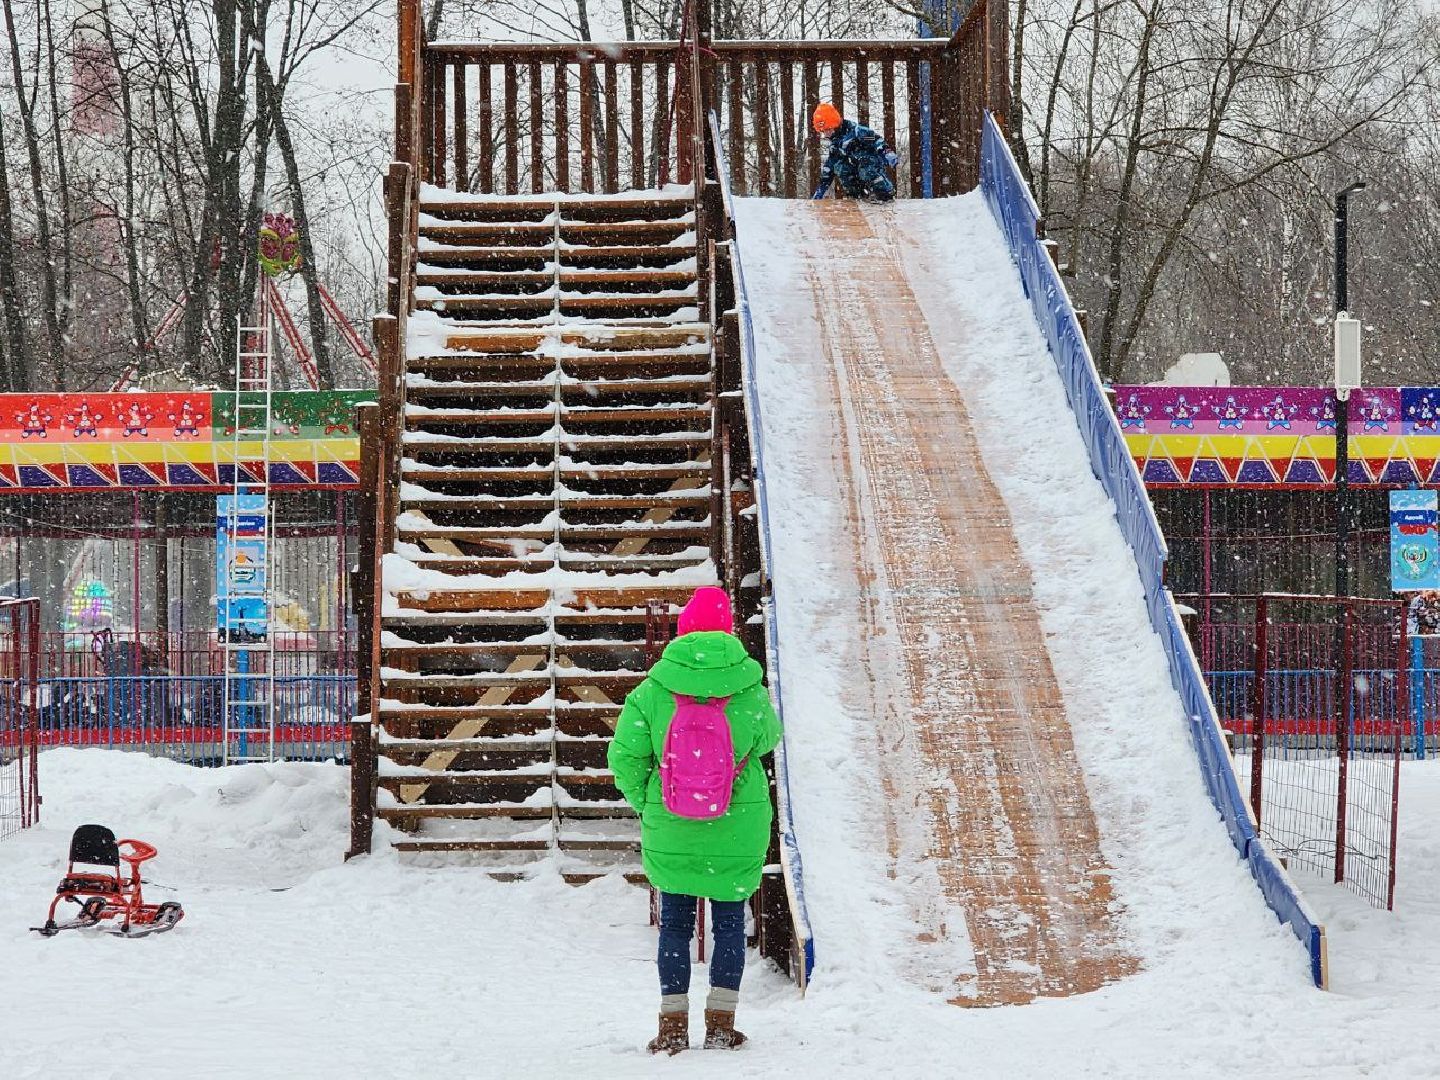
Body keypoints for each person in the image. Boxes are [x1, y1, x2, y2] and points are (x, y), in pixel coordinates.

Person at [608, 586, 783, 1055]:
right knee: (729, 924)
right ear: (729, 631)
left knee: (675, 926)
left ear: (683, 630)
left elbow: (625, 756)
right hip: (737, 826)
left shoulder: (652, 691)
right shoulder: (749, 689)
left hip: (672, 824)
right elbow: (769, 738)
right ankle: (722, 1024)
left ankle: (672, 1027)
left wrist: (648, 804)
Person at [810, 101, 898, 202]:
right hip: (854, 169)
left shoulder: (857, 131)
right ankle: (857, 195)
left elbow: (876, 140)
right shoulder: (835, 144)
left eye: (828, 130)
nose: (826, 134)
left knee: (865, 168)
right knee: (840, 167)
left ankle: (884, 194)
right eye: (823, 131)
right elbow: (829, 166)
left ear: (835, 124)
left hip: (871, 163)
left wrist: (887, 152)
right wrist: (821, 188)